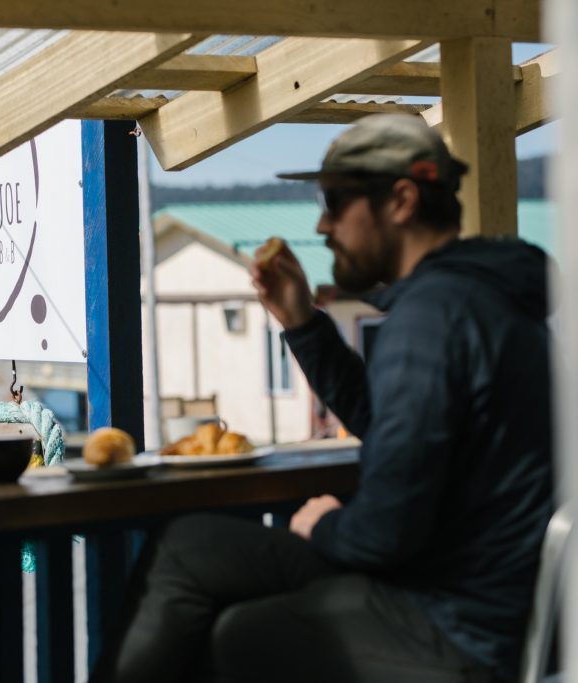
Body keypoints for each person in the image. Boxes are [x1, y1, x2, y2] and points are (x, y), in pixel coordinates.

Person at [90, 114, 554, 683]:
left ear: (402, 201)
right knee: (191, 546)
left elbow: (386, 533)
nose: (322, 224)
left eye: (335, 202)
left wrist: (324, 527)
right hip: (477, 593)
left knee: (242, 630)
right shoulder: (482, 297)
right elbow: (391, 425)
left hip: (456, 624)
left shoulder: (433, 317)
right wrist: (302, 321)